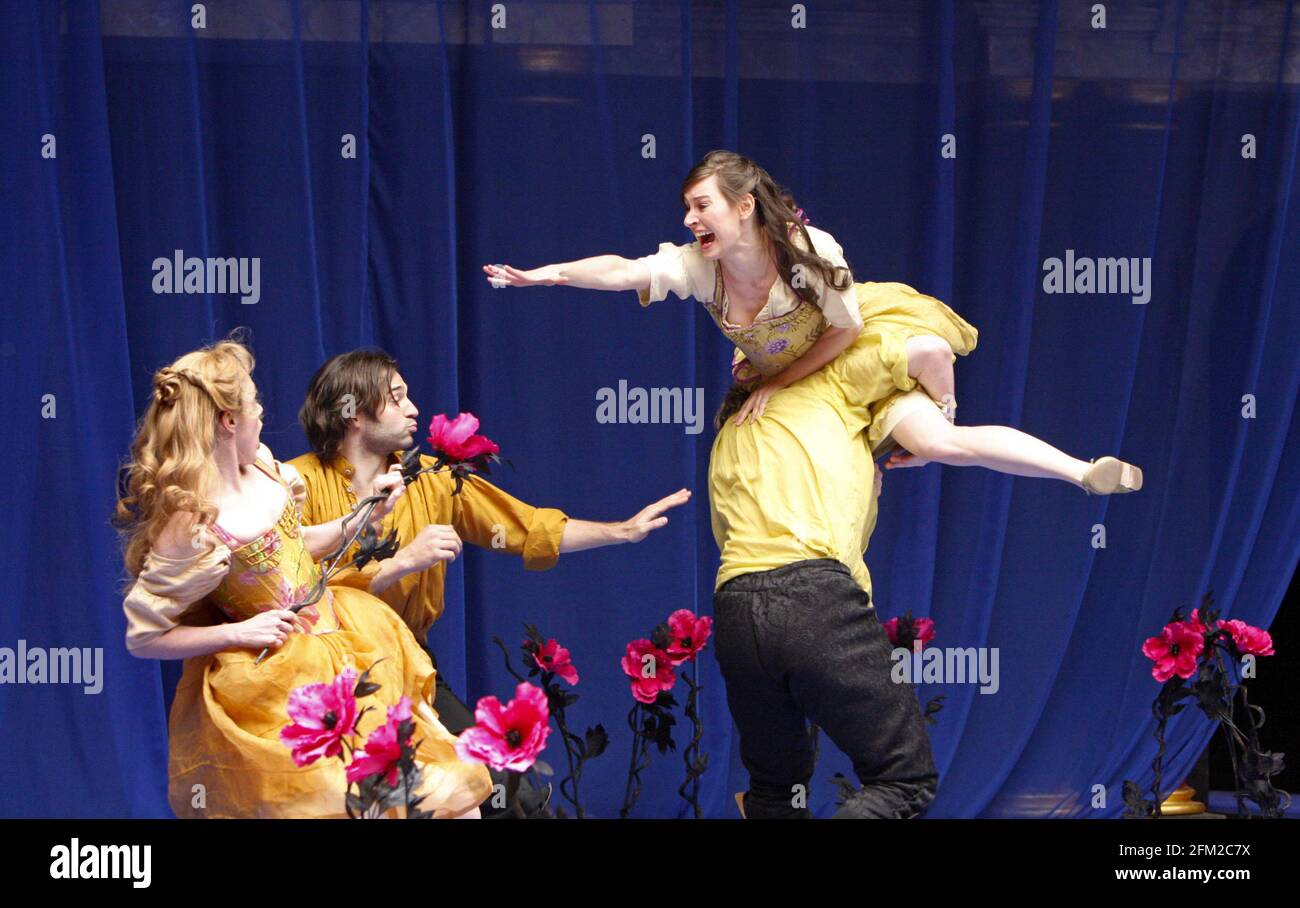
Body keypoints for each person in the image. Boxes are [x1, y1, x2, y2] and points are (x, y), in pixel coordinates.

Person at [483, 149, 1142, 495]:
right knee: (938, 446)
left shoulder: (808, 252)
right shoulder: (698, 266)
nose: (689, 219)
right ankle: (926, 435)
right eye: (685, 207)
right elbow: (623, 270)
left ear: (743, 207)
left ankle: (1076, 470)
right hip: (794, 378)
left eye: (701, 205)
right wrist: (546, 275)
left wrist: (780, 381)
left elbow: (848, 331)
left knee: (930, 367)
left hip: (841, 353)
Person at [288, 348, 691, 817]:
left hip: (409, 665)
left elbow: (526, 528)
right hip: (324, 681)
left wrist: (620, 531)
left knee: (501, 785)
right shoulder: (296, 484)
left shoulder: (432, 480)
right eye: (396, 398)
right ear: (352, 411)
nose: (414, 408)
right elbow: (296, 593)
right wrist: (399, 563)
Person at [116, 337, 491, 819]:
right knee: (341, 806)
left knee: (440, 794)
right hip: (283, 681)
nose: (262, 412)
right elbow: (143, 637)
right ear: (229, 422)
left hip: (351, 641)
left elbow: (293, 545)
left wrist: (360, 517)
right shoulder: (195, 523)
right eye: (254, 403)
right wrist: (238, 632)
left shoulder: (267, 471)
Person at [708, 337, 938, 819]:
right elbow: (931, 349)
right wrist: (943, 415)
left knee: (775, 789)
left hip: (736, 607)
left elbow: (730, 534)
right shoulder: (830, 384)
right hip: (812, 593)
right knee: (903, 778)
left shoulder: (730, 433)